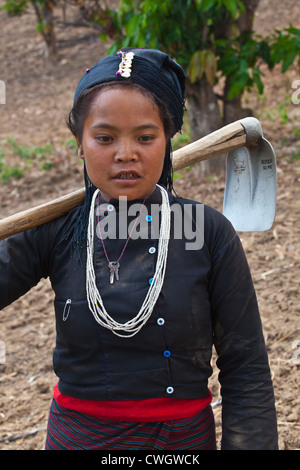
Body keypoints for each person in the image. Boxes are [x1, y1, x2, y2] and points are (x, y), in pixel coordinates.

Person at [0, 48, 278, 450]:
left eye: (145, 137)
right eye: (104, 137)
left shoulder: (207, 232)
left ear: (166, 141)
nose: (125, 153)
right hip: (79, 440)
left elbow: (246, 367)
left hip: (181, 445)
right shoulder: (57, 231)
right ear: (80, 143)